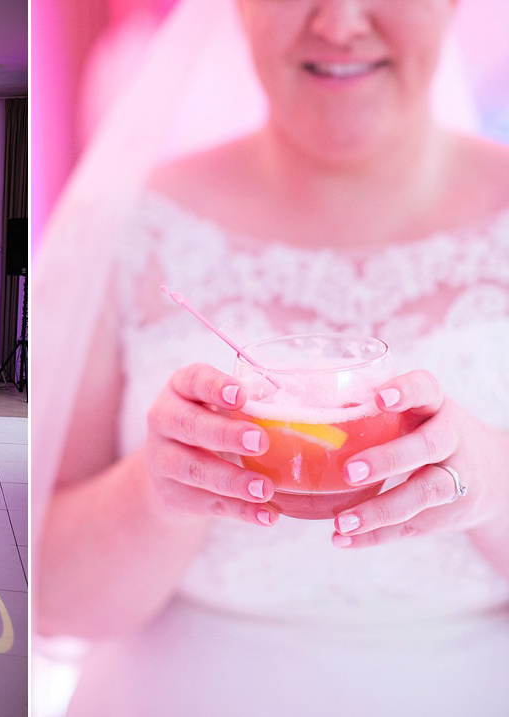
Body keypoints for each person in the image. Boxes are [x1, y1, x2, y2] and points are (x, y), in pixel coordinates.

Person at [34, 1, 509, 715]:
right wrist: (157, 492)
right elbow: (48, 596)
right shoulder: (124, 224)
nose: (341, 22)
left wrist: (493, 483)